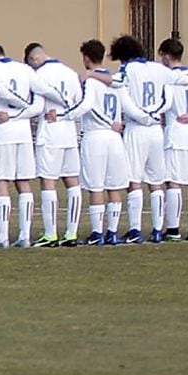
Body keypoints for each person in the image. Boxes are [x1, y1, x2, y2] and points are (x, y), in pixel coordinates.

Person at [87, 35, 188, 244]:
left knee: (134, 180)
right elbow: (181, 82)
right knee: (156, 182)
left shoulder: (127, 71)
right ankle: (157, 229)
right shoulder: (158, 69)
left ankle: (136, 229)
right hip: (156, 129)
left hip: (137, 128)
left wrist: (92, 75)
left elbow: (119, 87)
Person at [0, 43, 64, 248]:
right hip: (23, 134)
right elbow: (41, 99)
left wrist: (9, 115)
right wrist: (66, 101)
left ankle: (2, 237)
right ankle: (24, 235)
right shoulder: (25, 70)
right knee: (24, 183)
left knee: (1, 182)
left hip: (1, 134)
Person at [67, 40, 146, 246]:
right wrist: (149, 118)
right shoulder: (114, 81)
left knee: (96, 187)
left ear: (86, 58)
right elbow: (129, 107)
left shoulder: (92, 81)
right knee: (114, 186)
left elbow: (86, 105)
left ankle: (96, 233)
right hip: (115, 139)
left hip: (95, 137)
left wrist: (63, 115)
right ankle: (111, 232)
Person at [24, 43, 82, 247]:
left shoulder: (40, 76)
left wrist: (16, 115)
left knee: (48, 182)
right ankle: (72, 233)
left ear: (34, 60)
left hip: (49, 133)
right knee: (72, 182)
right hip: (69, 134)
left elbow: (38, 106)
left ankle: (50, 234)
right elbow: (78, 104)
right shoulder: (71, 73)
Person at [157, 38, 188, 241]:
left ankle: (173, 229)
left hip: (176, 132)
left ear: (167, 56)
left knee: (174, 183)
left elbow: (165, 103)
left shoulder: (169, 79)